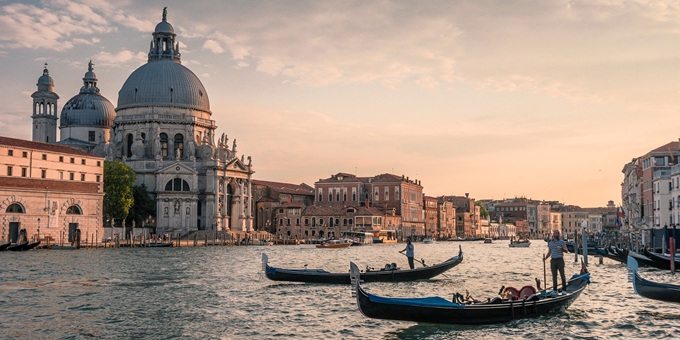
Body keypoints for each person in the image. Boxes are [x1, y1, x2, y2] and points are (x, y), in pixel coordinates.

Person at [544, 230, 568, 294]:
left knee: (562, 275)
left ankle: (564, 290)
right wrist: (545, 258)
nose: (557, 234)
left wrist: (561, 249)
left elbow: (566, 251)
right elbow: (549, 252)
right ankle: (555, 290)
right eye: (556, 233)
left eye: (558, 233)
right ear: (553, 234)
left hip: (560, 260)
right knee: (554, 276)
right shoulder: (550, 243)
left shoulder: (562, 242)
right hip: (553, 260)